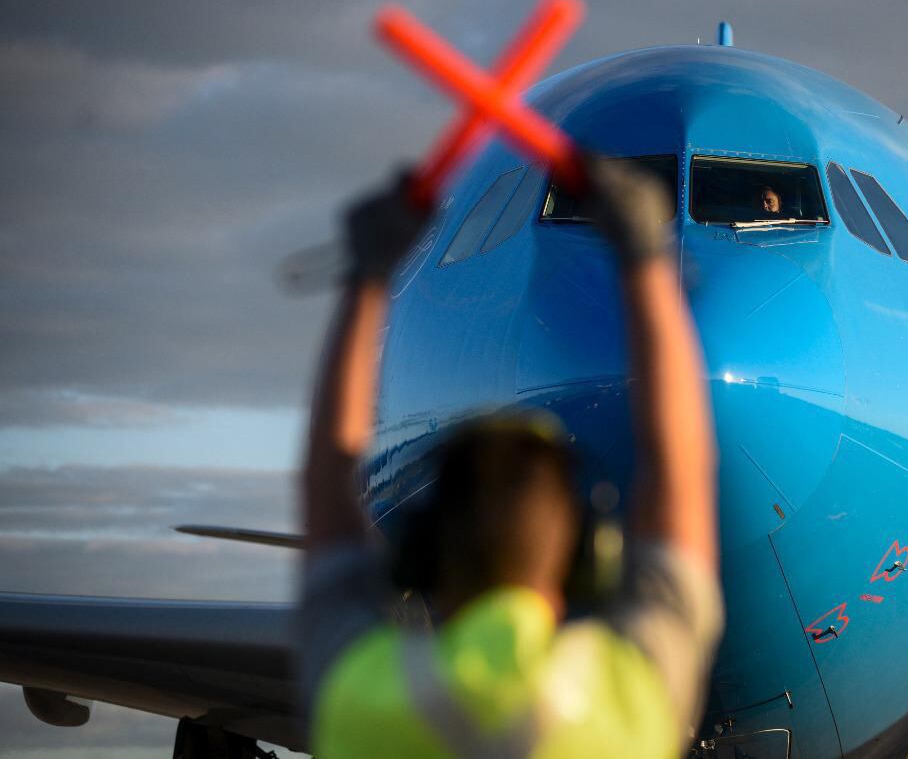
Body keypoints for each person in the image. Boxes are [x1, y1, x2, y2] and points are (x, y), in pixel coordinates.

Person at [296, 157, 722, 758]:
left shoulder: (362, 699)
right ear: (585, 555)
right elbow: (681, 473)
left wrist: (366, 277)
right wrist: (645, 255)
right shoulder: (625, 702)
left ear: (419, 551)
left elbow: (327, 494)